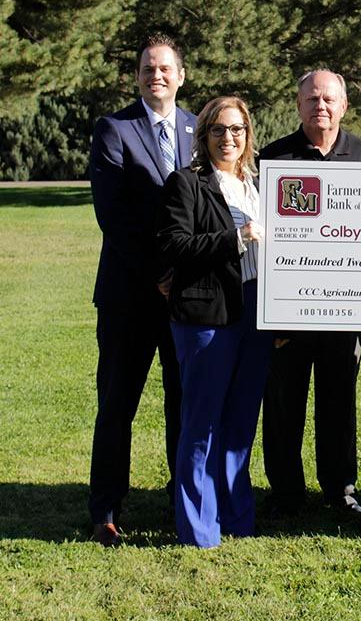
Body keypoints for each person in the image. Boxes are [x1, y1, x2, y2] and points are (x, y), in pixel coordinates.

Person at [87, 33, 195, 547]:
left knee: (184, 402)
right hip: (129, 295)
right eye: (148, 68)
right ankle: (106, 509)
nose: (157, 75)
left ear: (181, 76)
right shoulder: (114, 129)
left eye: (165, 68)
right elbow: (113, 215)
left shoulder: (199, 127)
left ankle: (182, 500)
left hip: (188, 298)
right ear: (137, 76)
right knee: (117, 403)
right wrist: (159, 272)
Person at [157, 96, 272, 548]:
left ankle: (237, 518)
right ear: (203, 135)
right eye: (218, 129)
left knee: (241, 423)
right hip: (207, 315)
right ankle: (199, 528)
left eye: (237, 129)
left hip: (255, 311)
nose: (229, 138)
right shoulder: (186, 182)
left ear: (248, 134)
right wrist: (236, 236)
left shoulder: (259, 184)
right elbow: (175, 245)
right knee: (202, 423)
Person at [259, 70, 361, 516]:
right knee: (283, 402)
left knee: (338, 401)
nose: (320, 106)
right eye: (311, 99)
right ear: (298, 104)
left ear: (344, 105)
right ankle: (286, 491)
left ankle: (340, 489)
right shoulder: (273, 157)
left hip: (345, 307)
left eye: (328, 99)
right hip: (288, 306)